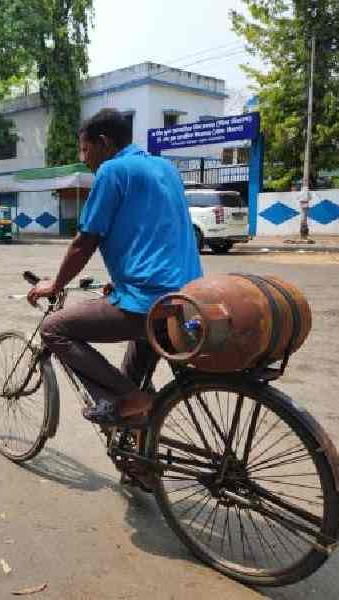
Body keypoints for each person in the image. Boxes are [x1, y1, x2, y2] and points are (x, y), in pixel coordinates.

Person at [26, 108, 203, 425]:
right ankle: (139, 463)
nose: (84, 157)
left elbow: (85, 241)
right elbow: (148, 232)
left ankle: (129, 398)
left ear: (104, 143)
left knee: (53, 328)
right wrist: (121, 283)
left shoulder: (112, 171)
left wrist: (55, 284)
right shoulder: (165, 167)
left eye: (85, 148)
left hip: (148, 302)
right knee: (133, 375)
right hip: (186, 297)